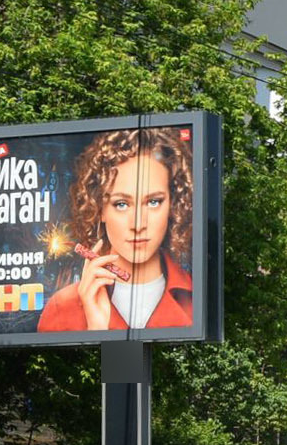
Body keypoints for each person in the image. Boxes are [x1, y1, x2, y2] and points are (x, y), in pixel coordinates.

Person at [38, 127, 195, 332]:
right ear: (100, 208)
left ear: (173, 205)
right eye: (121, 204)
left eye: (154, 202)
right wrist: (96, 328)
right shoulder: (62, 308)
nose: (138, 225)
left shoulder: (198, 299)